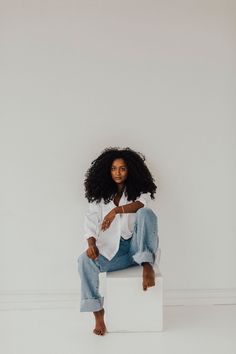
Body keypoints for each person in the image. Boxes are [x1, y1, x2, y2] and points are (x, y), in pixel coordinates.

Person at [77, 147, 159, 335]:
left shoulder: (139, 191)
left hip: (138, 247)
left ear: (130, 170)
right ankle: (98, 312)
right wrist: (91, 244)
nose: (118, 173)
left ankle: (147, 265)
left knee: (146, 213)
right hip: (115, 253)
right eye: (114, 168)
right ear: (108, 170)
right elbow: (90, 219)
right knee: (84, 261)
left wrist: (116, 211)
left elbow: (142, 205)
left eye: (122, 168)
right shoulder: (100, 196)